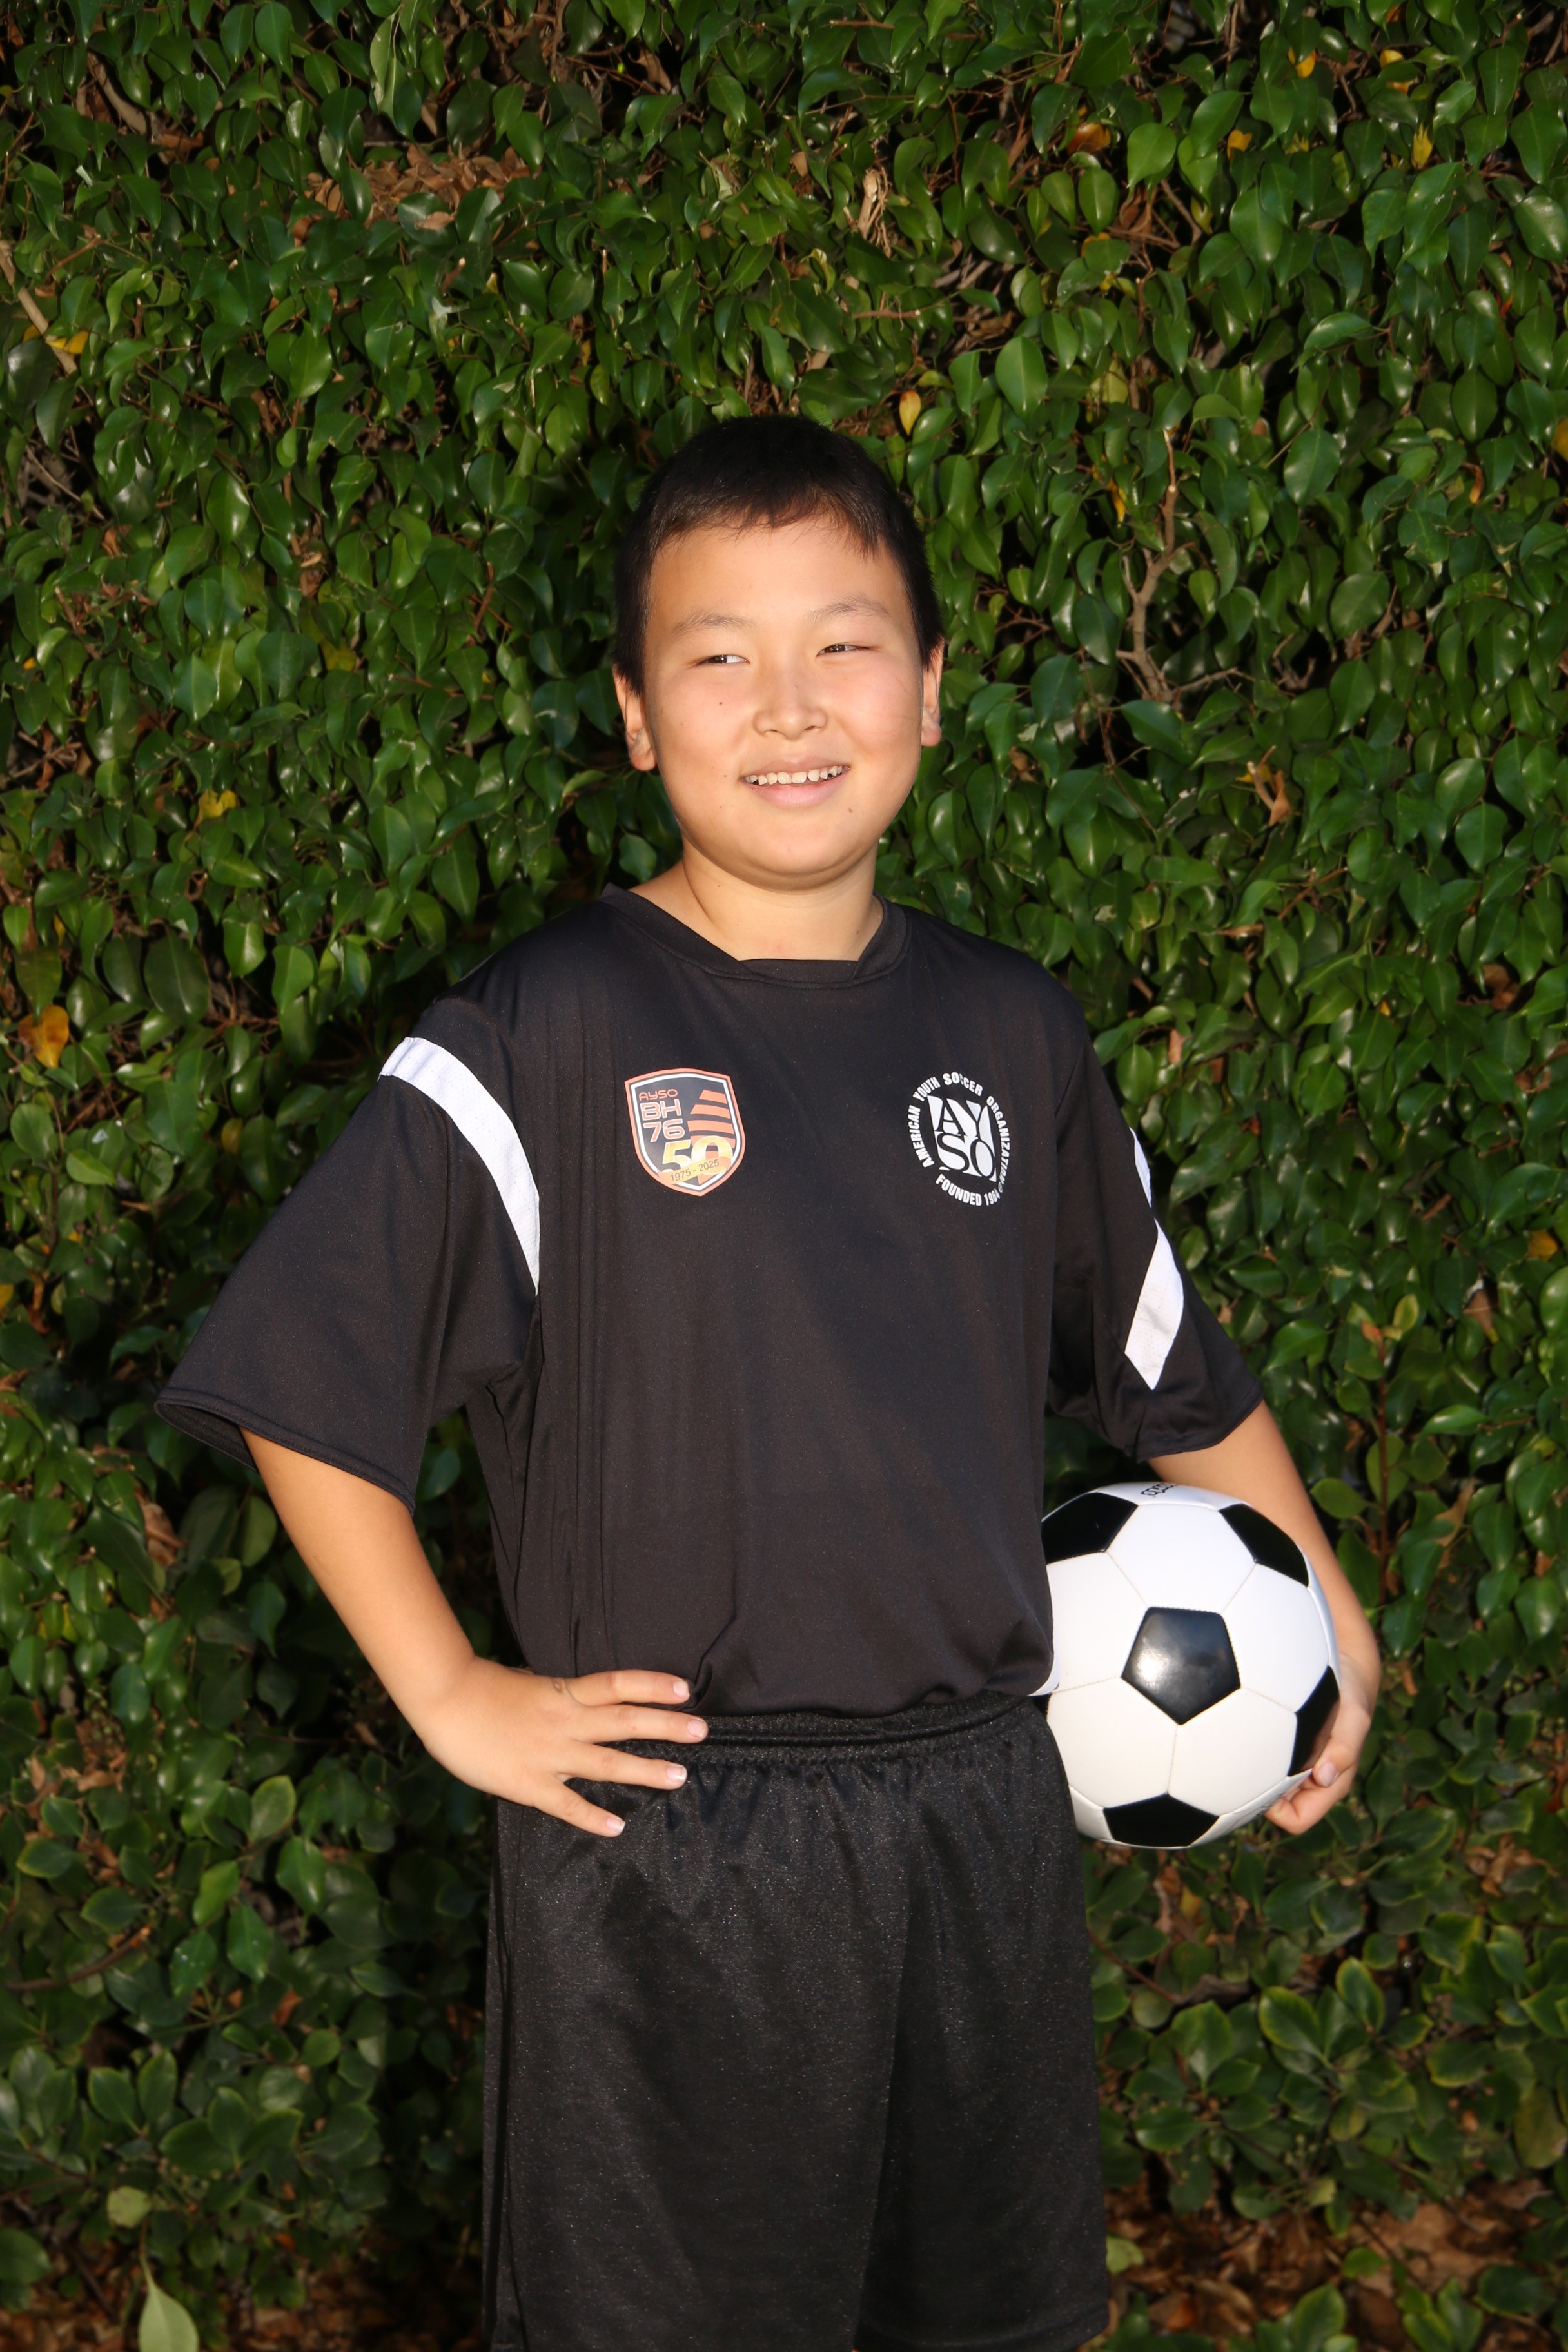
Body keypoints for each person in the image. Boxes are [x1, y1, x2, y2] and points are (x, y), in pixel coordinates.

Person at [158, 415, 1379, 2352]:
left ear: (933, 689)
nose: (790, 704)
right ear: (638, 716)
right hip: (678, 1837)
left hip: (982, 1810)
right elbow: (311, 1379)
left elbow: (1171, 1372)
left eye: (845, 643)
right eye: (720, 654)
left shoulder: (1013, 1031)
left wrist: (1320, 1605)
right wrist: (452, 1692)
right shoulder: (545, 1029)